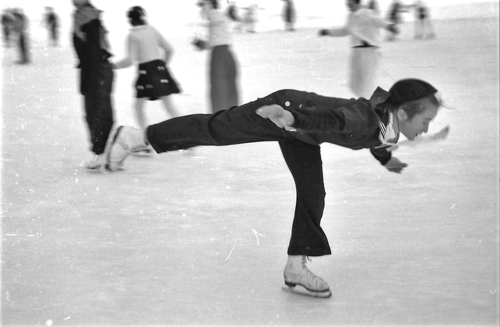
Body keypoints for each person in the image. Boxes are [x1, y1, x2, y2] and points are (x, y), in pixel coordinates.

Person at [105, 78, 444, 297]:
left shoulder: (385, 123)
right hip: (284, 112)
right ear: (403, 113)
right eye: (425, 121)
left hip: (301, 132)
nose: (427, 129)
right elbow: (338, 122)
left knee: (313, 194)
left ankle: (295, 266)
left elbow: (376, 139)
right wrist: (293, 120)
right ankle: (137, 137)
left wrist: (386, 160)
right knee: (217, 130)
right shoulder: (367, 117)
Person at [112, 6, 181, 142]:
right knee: (169, 105)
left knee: (138, 107)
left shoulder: (133, 35)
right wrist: (163, 66)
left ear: (130, 20)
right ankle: (187, 138)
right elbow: (169, 49)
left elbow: (130, 60)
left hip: (145, 72)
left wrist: (112, 66)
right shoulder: (152, 30)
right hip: (159, 69)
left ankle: (145, 141)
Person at [319, 0, 398, 99]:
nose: (348, 5)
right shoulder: (351, 16)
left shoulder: (367, 13)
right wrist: (328, 32)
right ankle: (366, 100)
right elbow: (346, 30)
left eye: (350, 3)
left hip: (369, 51)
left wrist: (390, 26)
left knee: (367, 81)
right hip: (356, 52)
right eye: (347, 4)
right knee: (354, 84)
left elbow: (379, 21)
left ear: (357, 2)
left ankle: (369, 103)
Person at [72, 0, 114, 171]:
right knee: (96, 111)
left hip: (97, 70)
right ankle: (104, 152)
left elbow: (94, 50)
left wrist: (91, 78)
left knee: (97, 112)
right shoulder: (84, 15)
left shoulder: (87, 17)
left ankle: (102, 153)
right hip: (95, 69)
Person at [199, 0, 240, 113]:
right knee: (229, 86)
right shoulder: (222, 19)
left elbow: (210, 14)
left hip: (219, 56)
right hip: (227, 53)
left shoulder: (216, 16)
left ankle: (219, 114)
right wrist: (204, 44)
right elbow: (216, 40)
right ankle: (233, 112)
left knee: (218, 86)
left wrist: (205, 4)